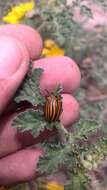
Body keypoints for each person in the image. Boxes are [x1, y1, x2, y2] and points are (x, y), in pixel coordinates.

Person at [0, 24, 81, 186]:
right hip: (50, 113)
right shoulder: (54, 102)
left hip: (50, 113)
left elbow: (54, 108)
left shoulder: (53, 103)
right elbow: (54, 107)